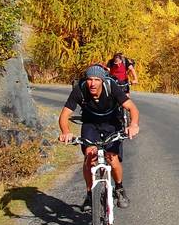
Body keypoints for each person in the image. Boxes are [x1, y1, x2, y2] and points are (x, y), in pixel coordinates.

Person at [58, 64, 140, 208]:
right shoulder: (80, 89)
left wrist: (133, 125)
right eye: (90, 79)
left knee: (112, 158)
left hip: (112, 123)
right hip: (90, 124)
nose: (92, 83)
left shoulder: (112, 87)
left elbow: (132, 108)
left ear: (102, 80)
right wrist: (65, 132)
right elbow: (64, 115)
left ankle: (119, 188)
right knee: (90, 157)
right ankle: (90, 195)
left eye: (96, 79)